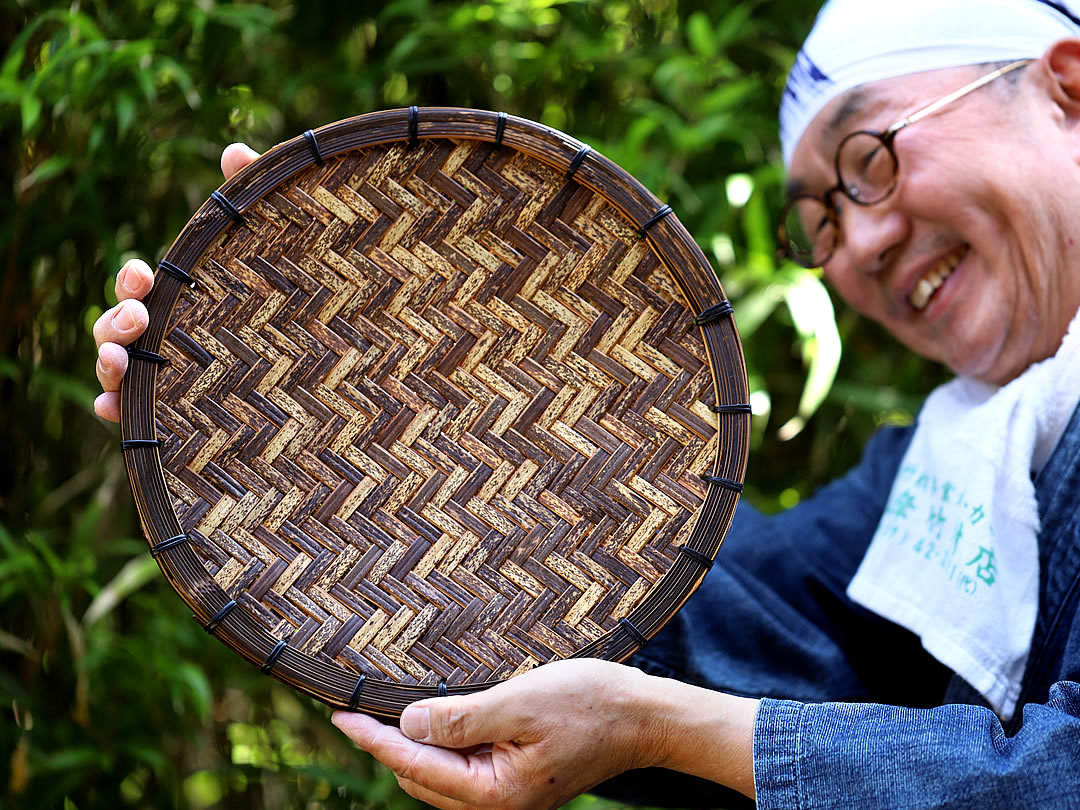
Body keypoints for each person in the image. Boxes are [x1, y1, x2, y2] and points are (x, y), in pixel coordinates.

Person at [93, 0, 1080, 805]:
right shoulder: (955, 469)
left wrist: (656, 729)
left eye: (870, 160)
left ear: (1067, 86)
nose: (854, 250)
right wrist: (335, 445)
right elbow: (732, 628)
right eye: (818, 220)